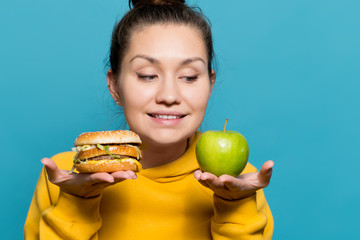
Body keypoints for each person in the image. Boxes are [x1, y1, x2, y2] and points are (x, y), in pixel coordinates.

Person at [24, 0, 274, 239]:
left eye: (188, 77)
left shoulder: (238, 181)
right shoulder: (65, 176)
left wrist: (235, 205)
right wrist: (76, 202)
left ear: (210, 84)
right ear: (114, 86)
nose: (169, 95)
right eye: (147, 75)